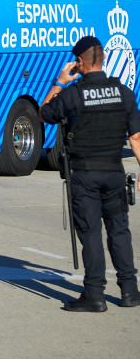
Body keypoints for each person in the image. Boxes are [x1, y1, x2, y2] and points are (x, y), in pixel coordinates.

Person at [40, 35, 140, 311]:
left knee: (91, 233)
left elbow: (44, 113)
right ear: (104, 59)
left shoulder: (73, 93)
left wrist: (60, 81)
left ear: (80, 62)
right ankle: (129, 291)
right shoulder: (124, 93)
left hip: (84, 174)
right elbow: (136, 139)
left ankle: (94, 295)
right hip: (114, 172)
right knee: (119, 230)